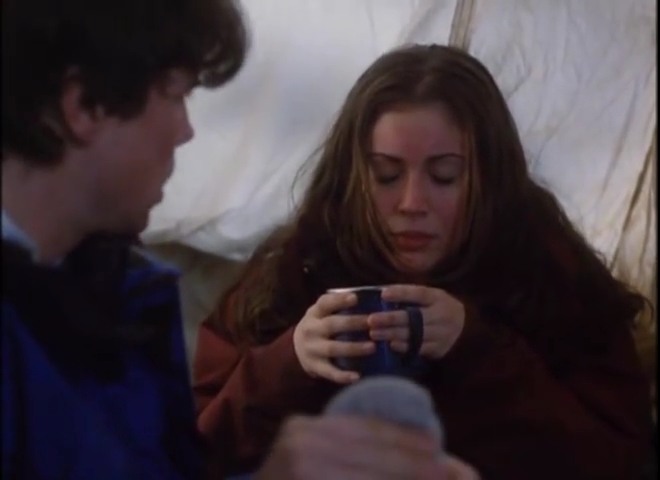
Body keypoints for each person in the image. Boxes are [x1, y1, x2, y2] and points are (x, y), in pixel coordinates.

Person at [3, 1, 477, 479]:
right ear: (84, 106)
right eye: (176, 96)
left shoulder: (124, 294)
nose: (186, 131)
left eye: (443, 175)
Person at [193, 44, 652, 479]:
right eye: (386, 175)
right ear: (353, 176)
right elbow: (189, 454)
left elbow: (619, 462)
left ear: (490, 179)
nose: (412, 203)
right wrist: (287, 363)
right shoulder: (293, 273)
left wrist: (479, 352)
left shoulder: (551, 279)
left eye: (444, 176)